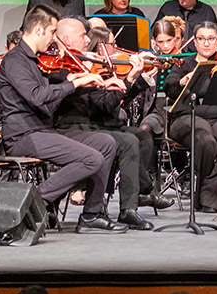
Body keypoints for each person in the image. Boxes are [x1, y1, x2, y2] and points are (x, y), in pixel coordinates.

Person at [0, 6, 126, 232]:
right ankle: (34, 203)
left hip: (43, 130)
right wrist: (74, 83)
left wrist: (86, 81)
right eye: (53, 32)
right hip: (24, 135)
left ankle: (91, 215)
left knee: (106, 143)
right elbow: (37, 96)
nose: (55, 38)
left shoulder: (35, 60)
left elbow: (52, 93)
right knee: (91, 159)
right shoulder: (15, 61)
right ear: (39, 29)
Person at [48, 17, 163, 230]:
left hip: (88, 127)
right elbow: (97, 104)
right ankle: (76, 208)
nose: (87, 39)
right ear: (66, 39)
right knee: (121, 141)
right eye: (83, 35)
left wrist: (125, 80)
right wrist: (122, 79)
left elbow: (104, 102)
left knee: (129, 140)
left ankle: (128, 209)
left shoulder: (84, 63)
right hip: (68, 128)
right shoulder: (59, 66)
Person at [164, 22, 217, 213]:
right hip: (187, 116)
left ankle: (210, 196)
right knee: (205, 140)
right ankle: (207, 195)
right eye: (201, 39)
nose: (206, 44)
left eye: (211, 39)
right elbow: (168, 86)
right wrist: (181, 81)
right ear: (194, 41)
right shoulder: (184, 64)